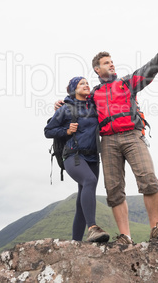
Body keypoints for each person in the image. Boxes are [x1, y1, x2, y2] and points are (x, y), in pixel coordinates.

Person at [55, 37, 158, 245]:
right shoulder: (93, 94)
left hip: (133, 135)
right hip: (108, 141)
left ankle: (155, 228)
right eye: (106, 62)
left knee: (148, 177)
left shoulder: (126, 83)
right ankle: (125, 236)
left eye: (112, 61)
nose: (111, 64)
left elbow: (150, 69)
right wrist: (61, 103)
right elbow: (75, 103)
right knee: (114, 189)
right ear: (97, 69)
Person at [45, 76, 109, 243]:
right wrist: (66, 131)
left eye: (87, 83)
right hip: (73, 155)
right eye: (82, 84)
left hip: (93, 157)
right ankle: (93, 228)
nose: (86, 85)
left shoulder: (94, 106)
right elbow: (48, 130)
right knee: (89, 180)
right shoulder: (65, 109)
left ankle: (76, 243)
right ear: (74, 89)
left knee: (83, 202)